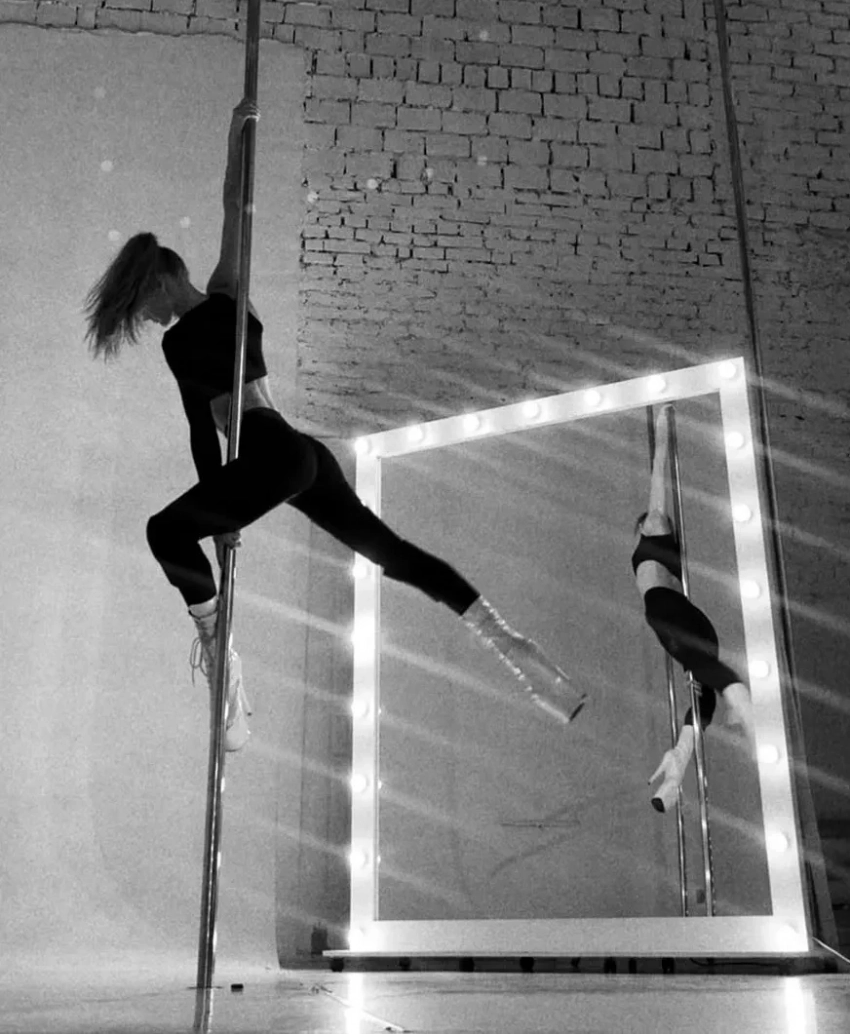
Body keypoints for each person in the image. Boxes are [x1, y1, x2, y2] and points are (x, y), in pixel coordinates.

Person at [84, 100, 586, 752]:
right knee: (390, 551)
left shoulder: (180, 342)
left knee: (164, 532)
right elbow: (236, 205)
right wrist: (237, 132)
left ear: (159, 282)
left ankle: (220, 651)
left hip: (268, 456)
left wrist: (220, 519)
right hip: (301, 453)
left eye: (142, 306)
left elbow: (202, 433)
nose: (147, 320)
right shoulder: (231, 292)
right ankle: (509, 643)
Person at [632, 404, 756, 813]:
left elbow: (659, 474)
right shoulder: (664, 547)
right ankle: (677, 763)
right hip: (691, 618)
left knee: (704, 675)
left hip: (668, 610)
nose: (656, 518)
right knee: (703, 693)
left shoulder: (652, 526)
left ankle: (739, 700)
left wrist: (663, 427)